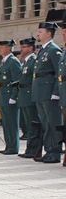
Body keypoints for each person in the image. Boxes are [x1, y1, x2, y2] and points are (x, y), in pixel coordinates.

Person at [33, 14, 63, 163]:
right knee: (45, 123)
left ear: (49, 33)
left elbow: (59, 73)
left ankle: (55, 152)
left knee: (52, 123)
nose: (38, 34)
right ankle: (49, 150)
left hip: (49, 92)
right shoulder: (43, 50)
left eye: (40, 32)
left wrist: (56, 93)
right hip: (41, 92)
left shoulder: (53, 50)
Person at [0, 40, 21, 155]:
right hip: (3, 95)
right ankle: (9, 145)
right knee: (6, 123)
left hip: (10, 95)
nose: (0, 49)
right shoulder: (4, 62)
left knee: (12, 123)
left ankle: (13, 147)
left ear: (8, 48)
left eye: (2, 47)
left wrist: (14, 96)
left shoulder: (13, 61)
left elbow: (17, 80)